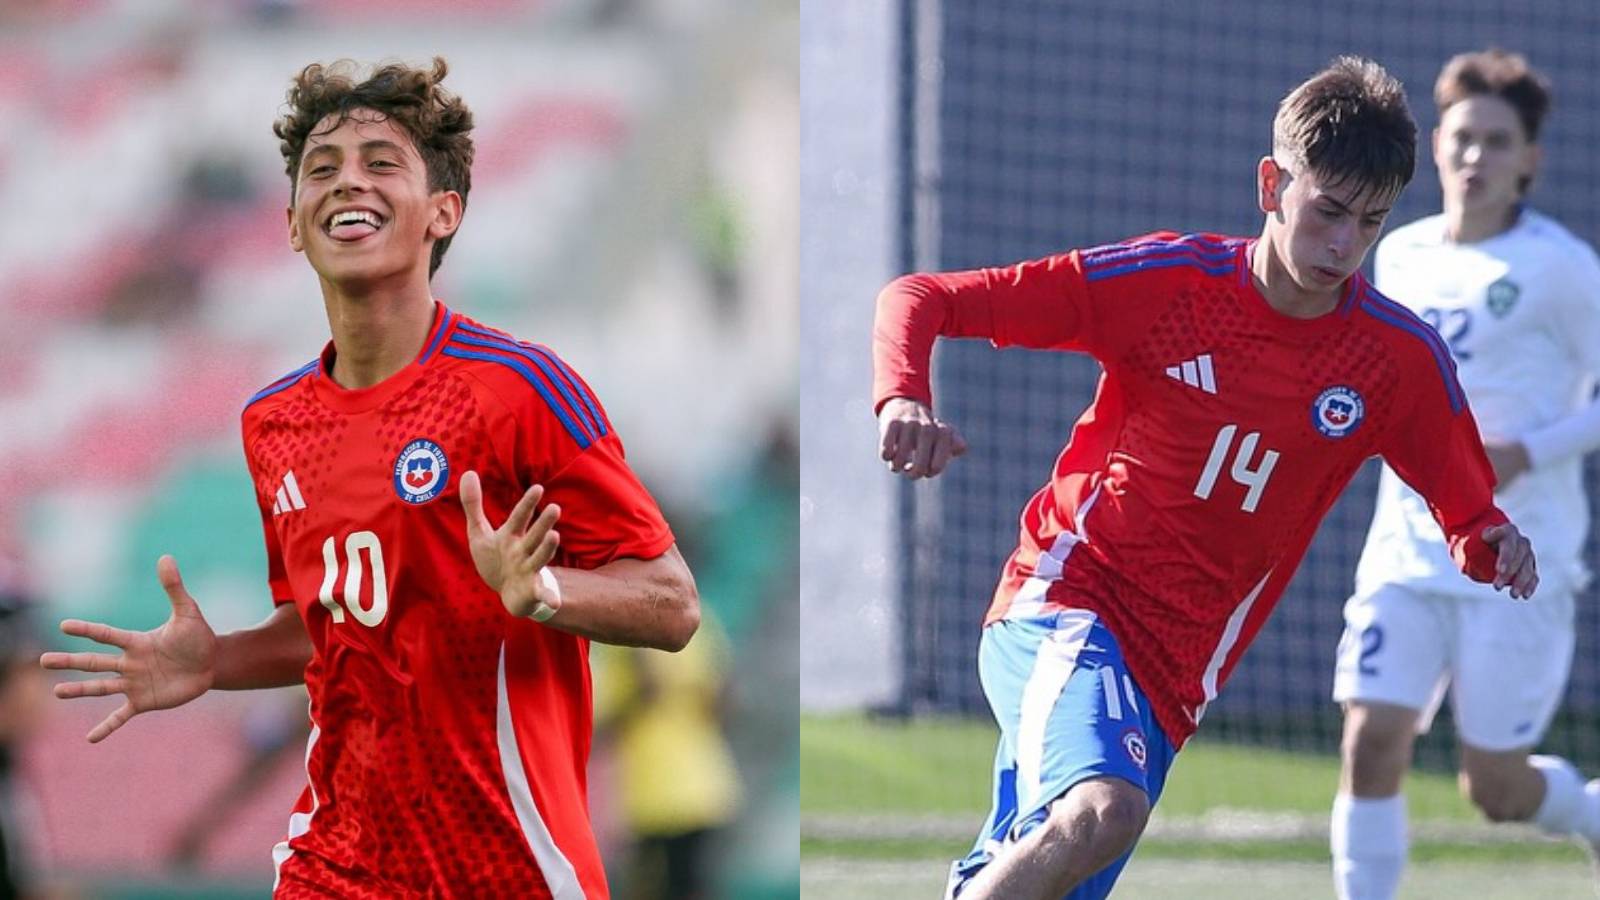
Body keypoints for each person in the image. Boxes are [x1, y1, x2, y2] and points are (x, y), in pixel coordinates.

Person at [872, 56, 1539, 900]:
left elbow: (1466, 510)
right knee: (1102, 812)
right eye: (1326, 210)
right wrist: (901, 400)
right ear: (1272, 184)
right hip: (1068, 604)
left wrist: (1495, 546)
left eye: (1368, 223)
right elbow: (923, 296)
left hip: (1175, 678)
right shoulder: (1166, 285)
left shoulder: (1396, 361)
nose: (1343, 244)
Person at [39, 58, 699, 899]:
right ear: (290, 221)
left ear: (442, 211)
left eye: (382, 162)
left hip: (506, 866)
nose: (348, 181)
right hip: (336, 861)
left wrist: (544, 594)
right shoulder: (273, 422)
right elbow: (342, 625)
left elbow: (673, 604)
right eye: (323, 167)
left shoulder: (521, 389)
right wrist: (218, 662)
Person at [1329, 49, 1600, 900]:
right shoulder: (1398, 254)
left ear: (1529, 160)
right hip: (1407, 549)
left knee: (1494, 789)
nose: (1474, 156)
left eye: (1496, 141)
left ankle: (1589, 814)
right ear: (1432, 149)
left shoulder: (1562, 268)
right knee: (1371, 740)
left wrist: (1529, 450)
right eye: (1461, 138)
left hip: (1519, 559)